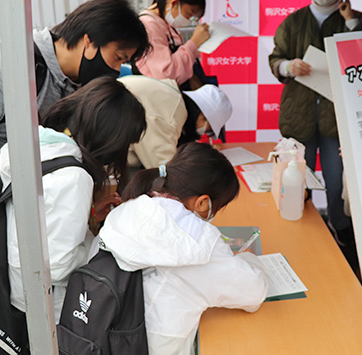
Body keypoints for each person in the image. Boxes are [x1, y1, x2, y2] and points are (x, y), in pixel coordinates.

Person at [0, 78, 147, 353]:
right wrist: (100, 241)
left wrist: (89, 214)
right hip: (30, 308)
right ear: (110, 137)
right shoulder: (74, 177)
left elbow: (44, 220)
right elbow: (57, 266)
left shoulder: (36, 147)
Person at [0, 0, 150, 220]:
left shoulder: (74, 82)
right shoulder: (5, 69)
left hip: (23, 210)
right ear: (90, 42)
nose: (115, 70)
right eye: (118, 58)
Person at [95, 142, 268, 355]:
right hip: (158, 346)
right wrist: (248, 258)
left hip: (108, 338)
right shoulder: (197, 243)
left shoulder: (131, 206)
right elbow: (253, 292)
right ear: (203, 203)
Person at [268, 0, 362, 271]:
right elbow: (275, 59)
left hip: (335, 121)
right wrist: (288, 65)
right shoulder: (294, 21)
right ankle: (300, 235)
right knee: (295, 179)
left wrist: (351, 17)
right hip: (299, 117)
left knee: (339, 182)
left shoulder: (353, 19)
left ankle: (342, 233)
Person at [119, 75, 232, 169]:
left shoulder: (172, 96)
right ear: (203, 116)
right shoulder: (171, 114)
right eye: (208, 130)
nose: (202, 134)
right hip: (107, 159)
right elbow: (163, 168)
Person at [135, 0, 211, 88]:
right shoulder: (149, 25)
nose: (188, 20)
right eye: (189, 14)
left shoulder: (166, 23)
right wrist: (194, 43)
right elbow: (166, 73)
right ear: (174, 2)